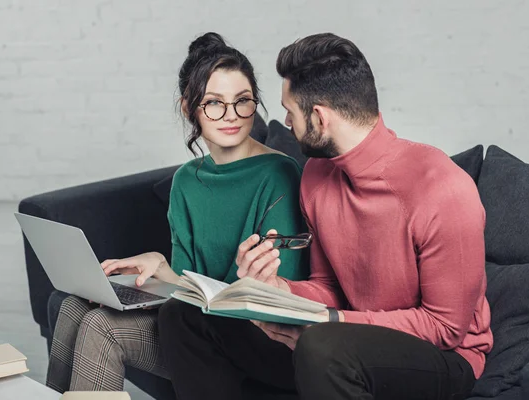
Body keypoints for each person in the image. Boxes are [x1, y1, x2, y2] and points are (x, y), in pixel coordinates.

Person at [158, 33, 493, 400]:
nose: (284, 121)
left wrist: (332, 321)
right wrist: (277, 289)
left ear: (319, 117)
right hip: (344, 337)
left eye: (290, 110)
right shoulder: (318, 177)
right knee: (184, 316)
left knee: (321, 345)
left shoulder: (443, 189)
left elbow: (446, 328)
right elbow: (328, 286)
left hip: (444, 356)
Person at [45, 32, 309, 393]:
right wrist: (160, 269)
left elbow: (272, 296)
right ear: (189, 107)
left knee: (101, 327)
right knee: (75, 307)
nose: (231, 115)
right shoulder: (186, 181)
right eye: (214, 103)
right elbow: (191, 292)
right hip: (197, 326)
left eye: (242, 101)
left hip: (258, 338)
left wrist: (185, 288)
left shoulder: (280, 174)